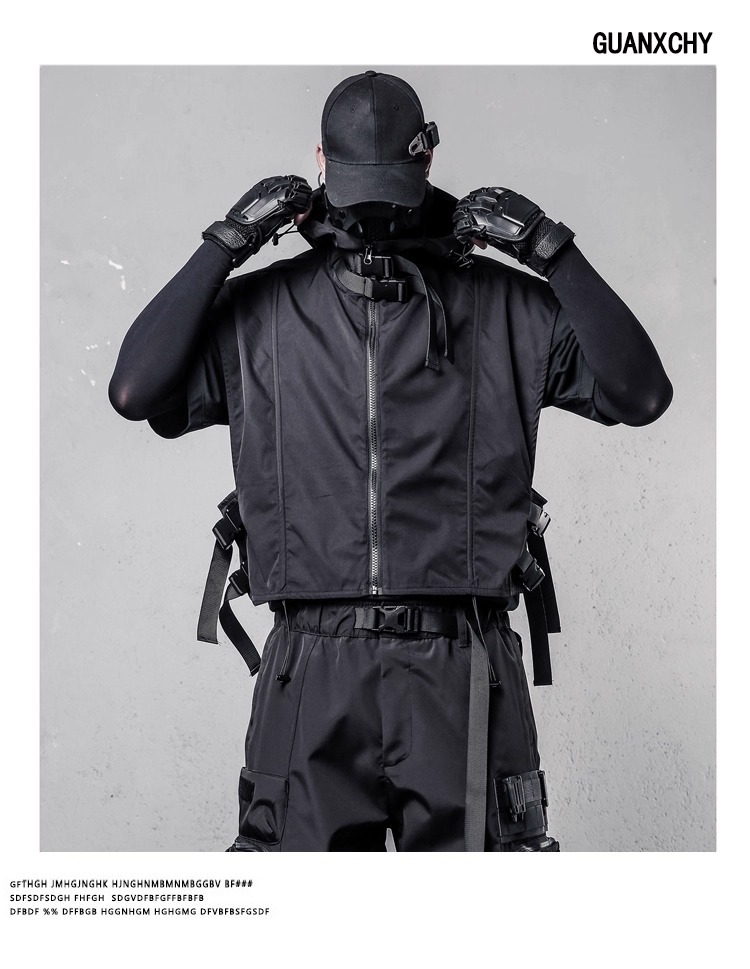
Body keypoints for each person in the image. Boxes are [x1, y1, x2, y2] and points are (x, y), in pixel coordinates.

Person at [109, 70, 672, 852]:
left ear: (427, 162)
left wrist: (551, 249)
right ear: (320, 163)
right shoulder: (259, 311)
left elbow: (642, 394)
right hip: (310, 667)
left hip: (464, 660)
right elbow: (134, 390)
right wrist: (225, 242)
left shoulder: (504, 304)